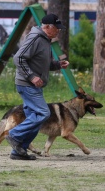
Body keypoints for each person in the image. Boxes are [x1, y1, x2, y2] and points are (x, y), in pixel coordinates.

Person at [6, 13, 69, 160]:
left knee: (34, 118)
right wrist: (32, 76)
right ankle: (14, 135)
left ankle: (18, 151)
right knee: (43, 113)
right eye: (56, 28)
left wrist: (58, 65)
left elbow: (43, 64)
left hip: (32, 85)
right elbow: (18, 58)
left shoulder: (45, 41)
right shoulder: (35, 38)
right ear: (47, 27)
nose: (59, 31)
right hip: (27, 84)